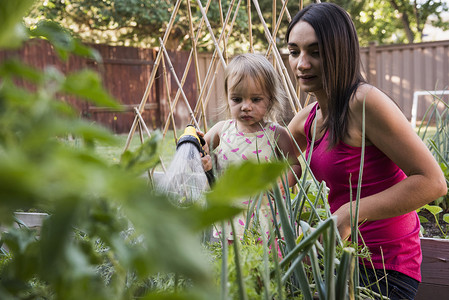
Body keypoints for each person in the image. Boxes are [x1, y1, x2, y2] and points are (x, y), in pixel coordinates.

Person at [285, 3, 447, 299]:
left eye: (316, 52)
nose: (302, 64)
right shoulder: (310, 117)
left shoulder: (364, 103)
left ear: (340, 52)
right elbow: (276, 155)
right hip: (343, 261)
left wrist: (349, 214)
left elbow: (432, 181)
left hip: (387, 271)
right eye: (295, 52)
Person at [201, 53, 302, 242]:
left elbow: (295, 167)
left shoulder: (276, 134)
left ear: (270, 100)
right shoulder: (221, 130)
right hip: (231, 213)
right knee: (235, 262)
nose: (246, 107)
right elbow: (201, 149)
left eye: (255, 100)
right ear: (227, 98)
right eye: (237, 99)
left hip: (266, 213)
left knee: (265, 260)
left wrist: (282, 179)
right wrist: (205, 159)